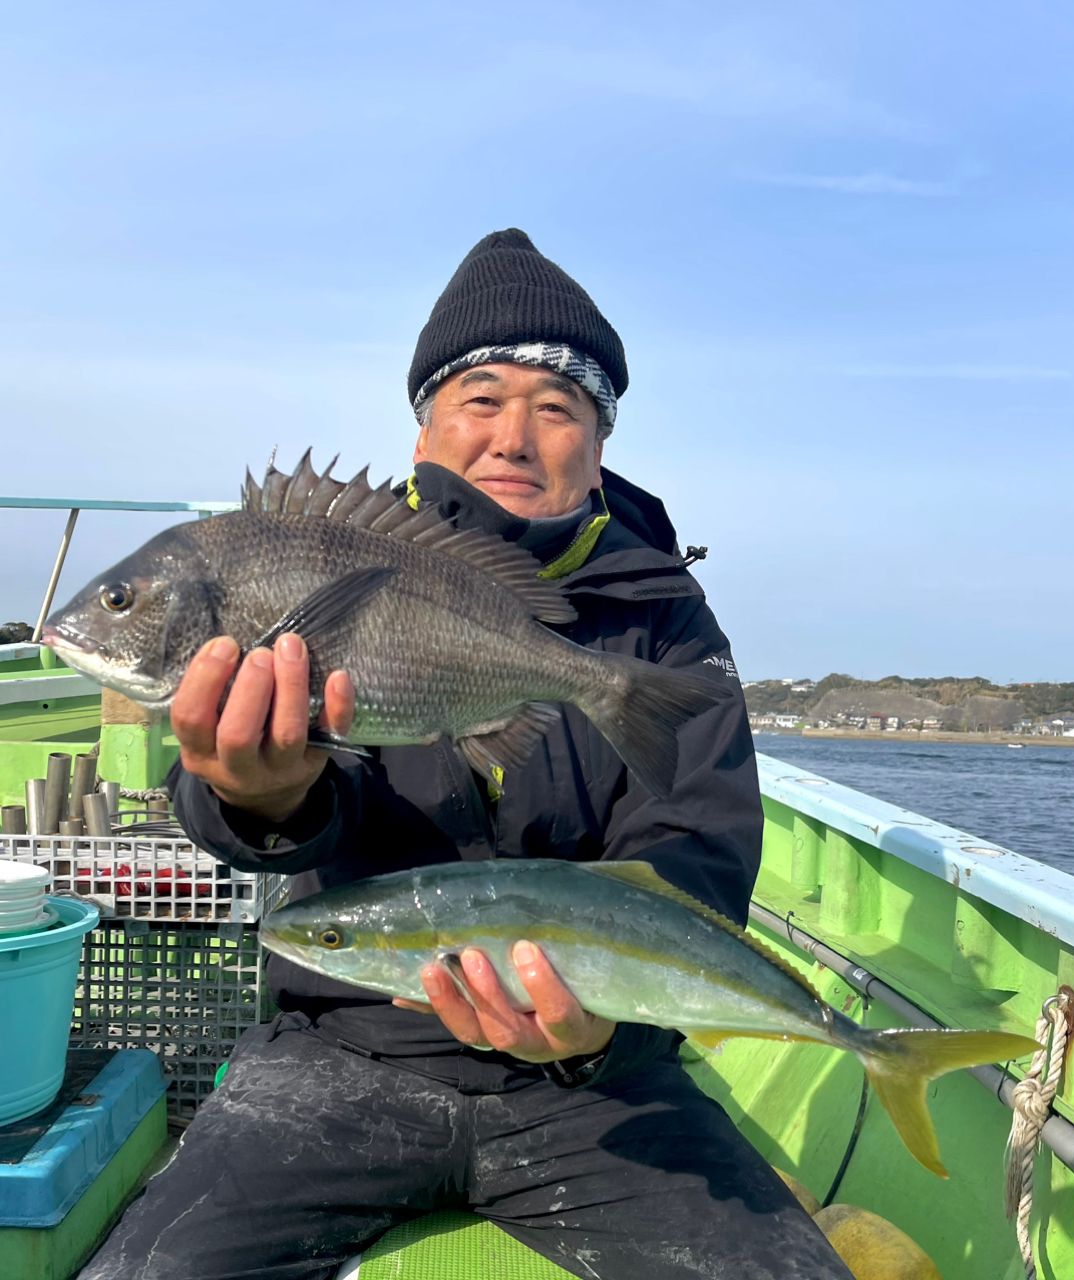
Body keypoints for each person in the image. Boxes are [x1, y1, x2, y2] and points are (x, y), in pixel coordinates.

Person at [80, 230, 851, 1280]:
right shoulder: (340, 557)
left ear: (601, 437)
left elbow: (696, 846)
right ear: (424, 434)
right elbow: (240, 806)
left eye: (558, 406)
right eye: (480, 400)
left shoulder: (666, 619)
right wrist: (260, 797)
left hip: (600, 1080)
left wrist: (594, 1030)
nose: (514, 435)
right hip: (342, 1053)